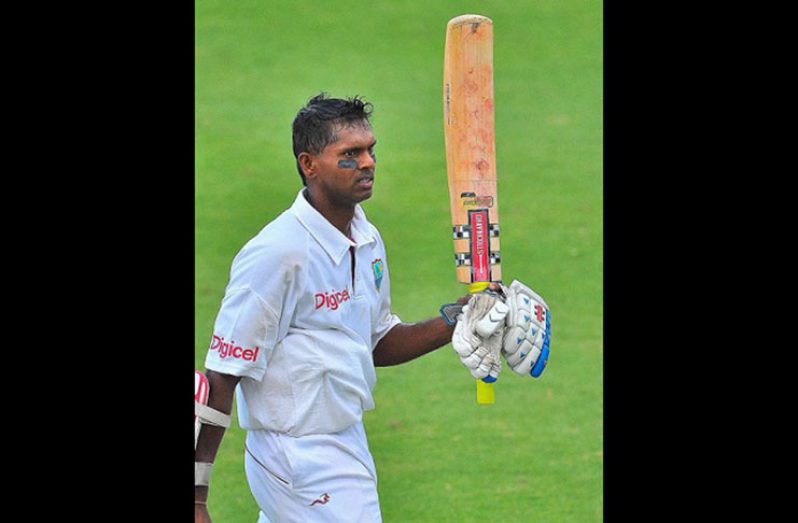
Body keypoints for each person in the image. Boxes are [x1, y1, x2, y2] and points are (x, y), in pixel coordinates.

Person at [194, 93, 550, 522]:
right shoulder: (277, 254)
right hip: (297, 452)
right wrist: (197, 498)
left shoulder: (367, 239)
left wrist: (460, 316)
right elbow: (222, 373)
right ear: (309, 164)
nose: (368, 162)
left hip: (346, 439)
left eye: (370, 150)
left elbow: (375, 341)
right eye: (350, 153)